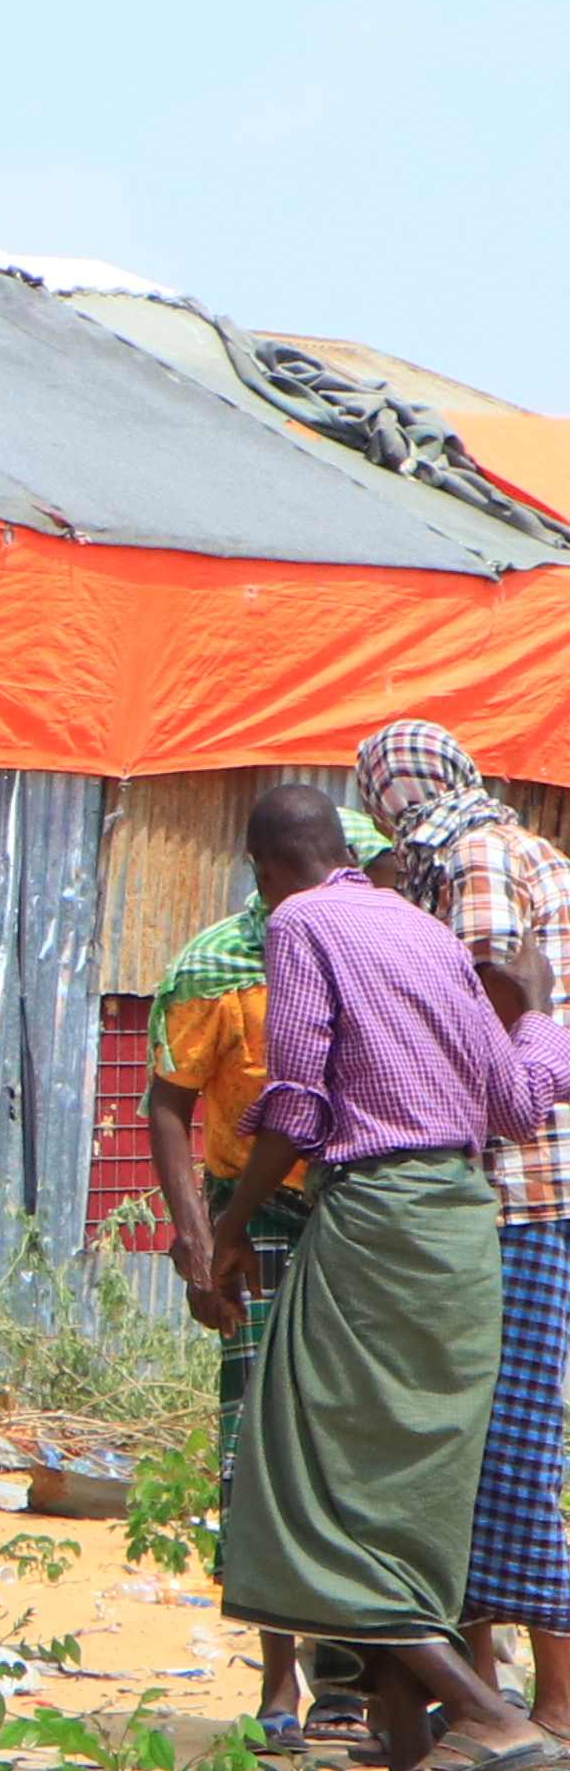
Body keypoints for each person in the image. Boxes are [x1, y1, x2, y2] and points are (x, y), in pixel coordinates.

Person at [212, 780, 570, 1771]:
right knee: (410, 1493)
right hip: (463, 1225)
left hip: (375, 1217)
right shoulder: (424, 930)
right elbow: (515, 1104)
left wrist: (232, 1228)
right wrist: (538, 1013)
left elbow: (294, 1095)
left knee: (309, 1478)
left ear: (262, 868)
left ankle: (485, 1712)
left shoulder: (302, 922)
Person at [360, 723, 570, 1708]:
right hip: (522, 1183)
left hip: (516, 1190)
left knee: (502, 1448)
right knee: (485, 1444)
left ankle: (549, 1708)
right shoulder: (519, 848)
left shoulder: (473, 853)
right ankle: (484, 1696)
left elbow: (491, 987)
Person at [142, 870, 320, 1741]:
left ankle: (363, 1682)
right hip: (259, 1221)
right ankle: (280, 1683)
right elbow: (169, 1104)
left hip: (362, 1211)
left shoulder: (382, 949)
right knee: (254, 1442)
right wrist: (200, 1240)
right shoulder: (218, 973)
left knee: (351, 1445)